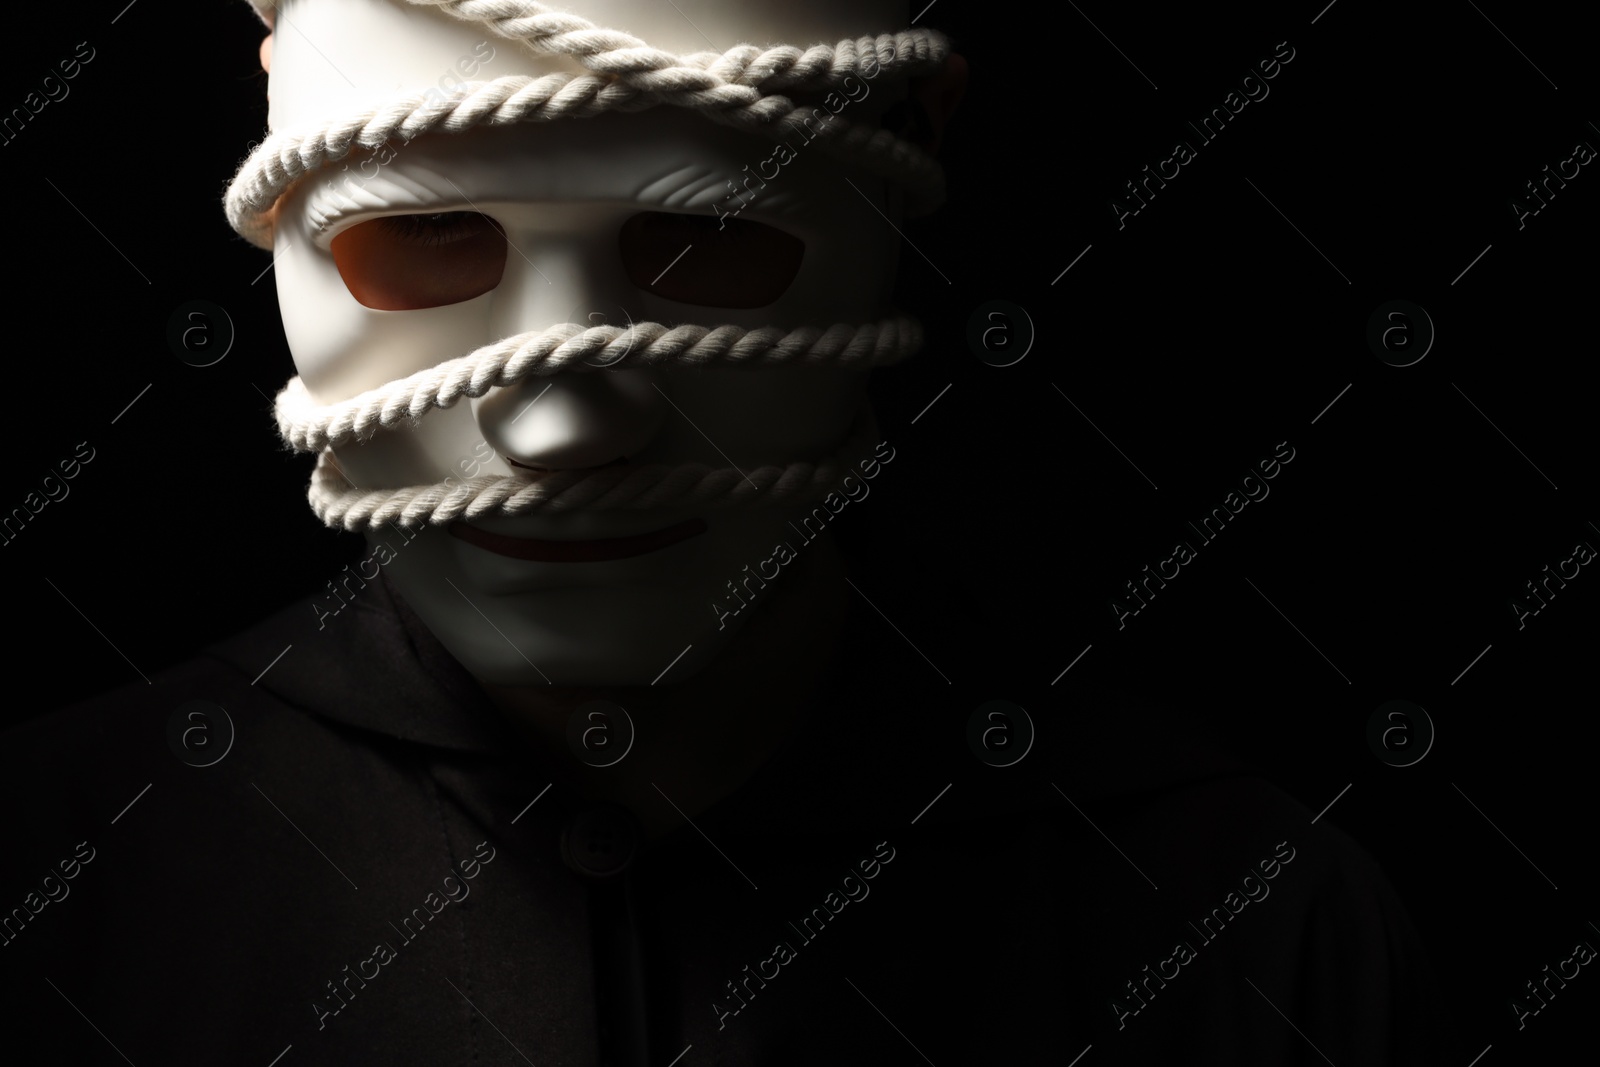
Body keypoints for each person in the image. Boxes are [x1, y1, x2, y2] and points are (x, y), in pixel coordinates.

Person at [0, 1, 1465, 1063]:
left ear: (912, 143)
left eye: (704, 240)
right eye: (431, 235)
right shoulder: (50, 899)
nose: (561, 426)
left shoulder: (1252, 938)